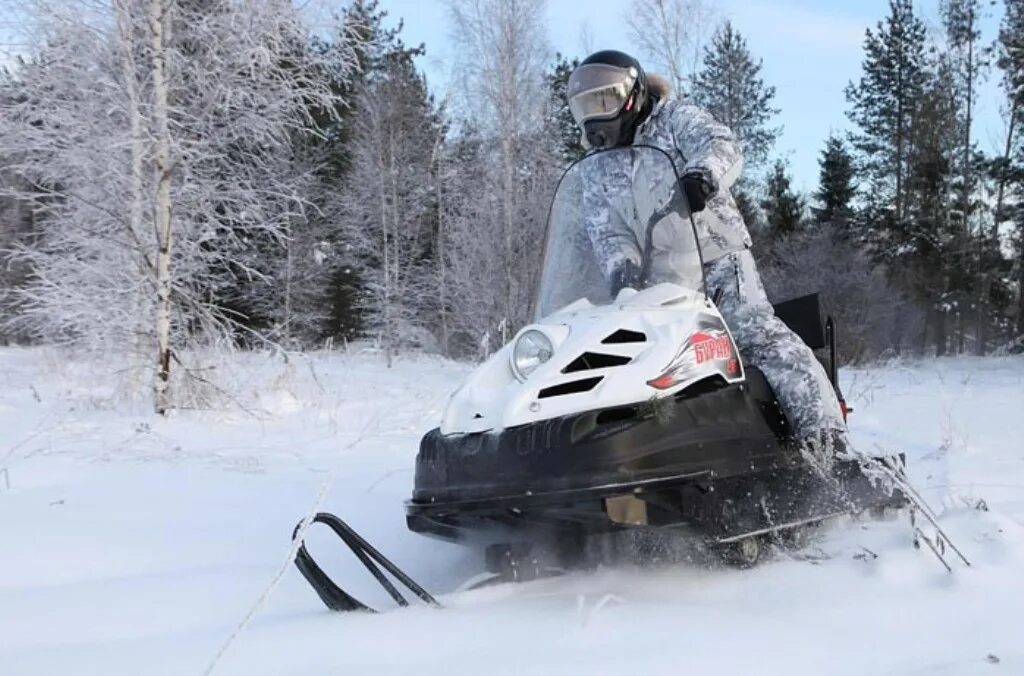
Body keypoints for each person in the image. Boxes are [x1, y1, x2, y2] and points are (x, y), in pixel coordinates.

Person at [566, 49, 846, 459]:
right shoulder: (597, 167)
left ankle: (825, 440)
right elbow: (606, 229)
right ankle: (660, 452)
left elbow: (721, 143)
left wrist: (703, 175)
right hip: (660, 278)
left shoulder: (673, 119)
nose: (597, 115)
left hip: (717, 256)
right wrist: (620, 269)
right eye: (587, 107)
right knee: (652, 358)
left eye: (605, 101)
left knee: (756, 337)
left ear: (632, 94)